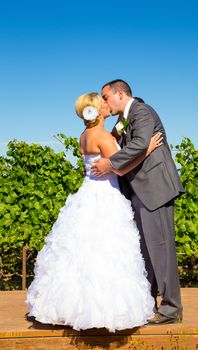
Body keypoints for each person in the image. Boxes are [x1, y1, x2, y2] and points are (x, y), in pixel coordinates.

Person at [26, 92, 163, 332]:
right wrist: (148, 149)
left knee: (81, 251)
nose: (107, 105)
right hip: (105, 196)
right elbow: (120, 167)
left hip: (87, 192)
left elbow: (103, 150)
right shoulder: (102, 137)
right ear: (98, 111)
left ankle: (69, 308)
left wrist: (118, 131)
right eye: (103, 104)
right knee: (106, 250)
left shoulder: (85, 135)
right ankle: (104, 311)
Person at [91, 80, 184, 325]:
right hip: (139, 191)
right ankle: (149, 303)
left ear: (119, 94)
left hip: (155, 190)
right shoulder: (123, 120)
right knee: (146, 252)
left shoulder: (142, 111)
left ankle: (171, 309)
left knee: (161, 250)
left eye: (106, 96)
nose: (104, 102)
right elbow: (132, 144)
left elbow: (140, 143)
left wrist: (110, 164)